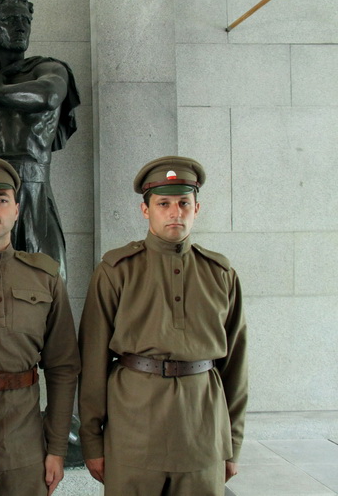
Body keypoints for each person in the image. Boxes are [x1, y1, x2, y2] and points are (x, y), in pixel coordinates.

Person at [77, 156, 248, 495]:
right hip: (134, 430)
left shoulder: (220, 274)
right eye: (164, 203)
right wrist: (92, 442)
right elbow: (92, 360)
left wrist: (233, 442)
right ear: (146, 210)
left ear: (196, 208)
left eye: (184, 203)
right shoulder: (116, 271)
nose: (175, 212)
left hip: (201, 430)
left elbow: (236, 365)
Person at [0, 156, 81, 496]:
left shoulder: (45, 276)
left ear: (17, 208)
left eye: (1, 200)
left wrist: (55, 448)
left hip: (24, 442)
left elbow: (63, 367)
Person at [0, 0, 81, 280]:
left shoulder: (49, 69)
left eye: (25, 20)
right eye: (10, 20)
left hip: (34, 194)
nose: (20, 27)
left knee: (49, 278)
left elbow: (49, 95)